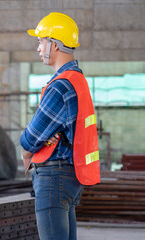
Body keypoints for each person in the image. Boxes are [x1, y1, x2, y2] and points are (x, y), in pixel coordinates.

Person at [20, 12, 100, 240]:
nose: (38, 48)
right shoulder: (77, 79)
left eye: (40, 41)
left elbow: (30, 139)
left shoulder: (60, 86)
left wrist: (27, 148)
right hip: (68, 176)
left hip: (54, 177)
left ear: (54, 45)